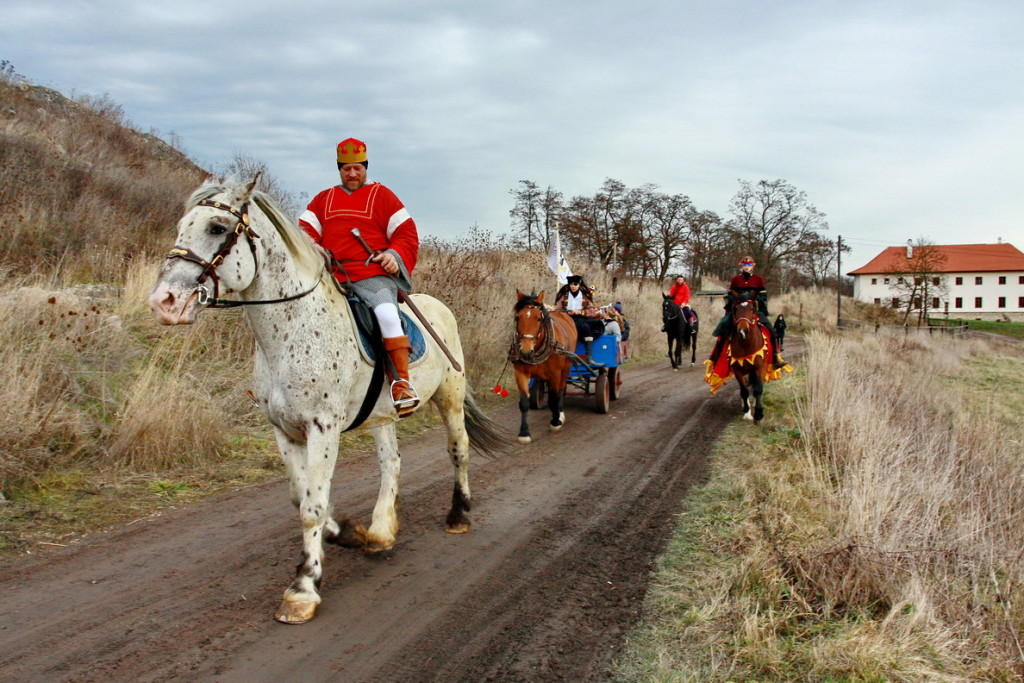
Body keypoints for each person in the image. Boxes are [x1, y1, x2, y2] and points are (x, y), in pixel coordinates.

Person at [298, 137, 421, 417]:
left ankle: (401, 383)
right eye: (346, 169)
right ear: (339, 169)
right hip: (331, 275)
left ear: (365, 167)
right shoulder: (324, 199)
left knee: (388, 315)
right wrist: (312, 244)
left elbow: (406, 234)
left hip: (371, 273)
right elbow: (303, 229)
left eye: (357, 168)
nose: (352, 174)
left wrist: (393, 255)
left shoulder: (383, 196)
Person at [708, 256, 786, 369]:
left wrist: (756, 301)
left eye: (749, 265)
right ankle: (715, 357)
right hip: (738, 309)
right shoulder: (736, 279)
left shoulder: (758, 279)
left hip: (754, 308)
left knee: (771, 331)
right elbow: (730, 294)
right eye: (745, 265)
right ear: (741, 266)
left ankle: (775, 359)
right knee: (722, 329)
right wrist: (735, 300)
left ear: (753, 266)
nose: (747, 267)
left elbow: (763, 295)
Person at [553, 275, 605, 361]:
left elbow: (591, 311)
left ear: (579, 285)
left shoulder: (585, 296)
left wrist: (580, 312)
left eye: (575, 284)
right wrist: (565, 312)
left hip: (581, 319)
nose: (573, 286)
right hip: (566, 319)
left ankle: (589, 356)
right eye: (571, 284)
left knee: (586, 328)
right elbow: (558, 309)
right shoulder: (563, 295)